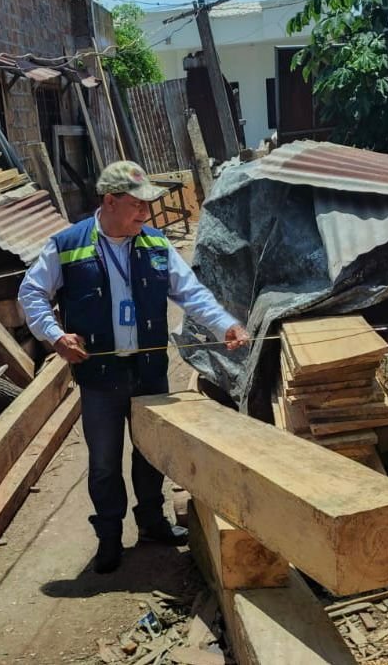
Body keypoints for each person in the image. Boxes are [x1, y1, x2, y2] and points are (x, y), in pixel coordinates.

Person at [18, 160, 250, 574]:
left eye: (148, 205)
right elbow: (31, 292)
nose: (146, 212)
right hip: (100, 378)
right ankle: (109, 537)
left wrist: (225, 324)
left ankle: (151, 522)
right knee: (104, 461)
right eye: (137, 205)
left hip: (148, 372)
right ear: (110, 201)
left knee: (151, 453)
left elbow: (191, 293)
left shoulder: (155, 244)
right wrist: (55, 335)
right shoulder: (67, 244)